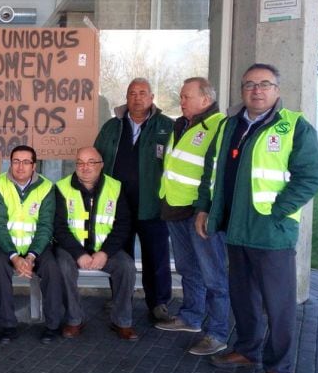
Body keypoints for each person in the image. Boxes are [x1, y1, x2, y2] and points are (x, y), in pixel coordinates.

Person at [196, 63, 318, 373]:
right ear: (242, 90)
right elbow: (211, 171)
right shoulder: (229, 126)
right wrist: (205, 207)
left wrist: (277, 212)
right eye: (250, 84)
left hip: (271, 233)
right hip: (235, 230)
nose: (257, 90)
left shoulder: (293, 127)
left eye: (264, 84)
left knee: (278, 304)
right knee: (243, 296)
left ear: (276, 90)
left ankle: (279, 369)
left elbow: (310, 176)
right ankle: (248, 349)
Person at [155, 77, 228, 356]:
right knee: (188, 268)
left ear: (205, 100)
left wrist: (205, 209)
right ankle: (191, 317)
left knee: (214, 275)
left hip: (200, 213)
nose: (181, 101)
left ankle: (218, 332)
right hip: (175, 208)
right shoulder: (182, 124)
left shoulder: (219, 125)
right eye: (182, 96)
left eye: (186, 96)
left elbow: (216, 174)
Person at [94, 78, 174, 321]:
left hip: (153, 204)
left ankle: (158, 303)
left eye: (142, 93)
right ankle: (120, 298)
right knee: (120, 255)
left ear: (151, 98)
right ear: (126, 98)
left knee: (156, 256)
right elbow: (97, 161)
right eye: (132, 93)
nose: (137, 98)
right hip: (118, 206)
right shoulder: (112, 127)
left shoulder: (167, 126)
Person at [53, 146, 139, 341]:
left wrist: (105, 253)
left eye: (91, 162)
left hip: (105, 249)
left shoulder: (116, 187)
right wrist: (78, 253)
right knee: (63, 266)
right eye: (80, 163)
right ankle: (74, 319)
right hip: (71, 249)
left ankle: (122, 321)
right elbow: (59, 227)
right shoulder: (61, 187)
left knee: (127, 267)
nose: (85, 167)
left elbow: (123, 224)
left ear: (101, 165)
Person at [0, 145, 60, 344]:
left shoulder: (46, 187)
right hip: (6, 246)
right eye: (16, 161)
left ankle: (52, 325)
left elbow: (46, 226)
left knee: (52, 268)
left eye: (26, 162)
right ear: (10, 163)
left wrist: (31, 256)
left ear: (34, 166)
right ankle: (8, 325)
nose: (20, 167)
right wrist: (14, 256)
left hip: (37, 247)